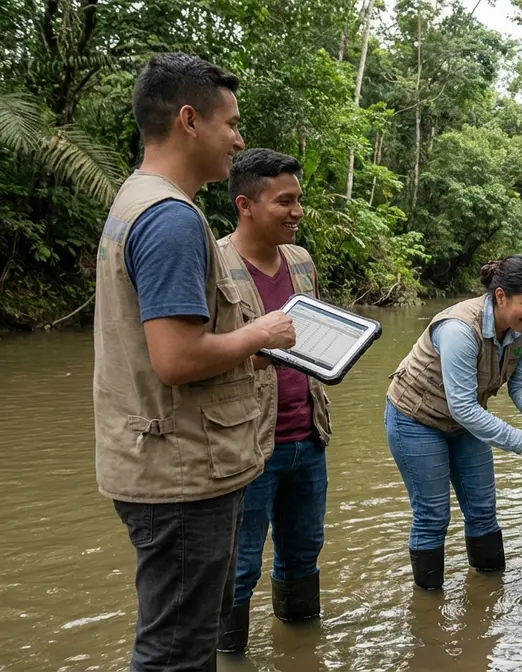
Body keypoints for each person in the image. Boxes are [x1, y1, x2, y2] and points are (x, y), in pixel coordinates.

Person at [94, 53, 296, 672]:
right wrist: (260, 332)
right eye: (230, 124)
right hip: (179, 472)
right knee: (177, 651)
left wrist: (241, 355)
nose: (239, 139)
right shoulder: (173, 220)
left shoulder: (136, 199)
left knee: (179, 638)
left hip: (155, 457)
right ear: (188, 120)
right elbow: (177, 358)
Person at [214, 149, 334, 653]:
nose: (297, 211)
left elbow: (313, 334)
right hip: (246, 444)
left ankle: (302, 651)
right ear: (245, 204)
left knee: (304, 554)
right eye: (284, 201)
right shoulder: (213, 261)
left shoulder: (301, 261)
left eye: (298, 200)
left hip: (308, 434)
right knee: (239, 566)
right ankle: (228, 654)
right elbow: (195, 355)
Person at [385, 255, 522, 591]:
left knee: (482, 510)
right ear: (501, 296)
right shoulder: (460, 329)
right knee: (433, 516)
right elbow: (462, 406)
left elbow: (520, 384)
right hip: (416, 419)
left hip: (465, 422)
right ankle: (429, 607)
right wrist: (521, 440)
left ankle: (489, 598)